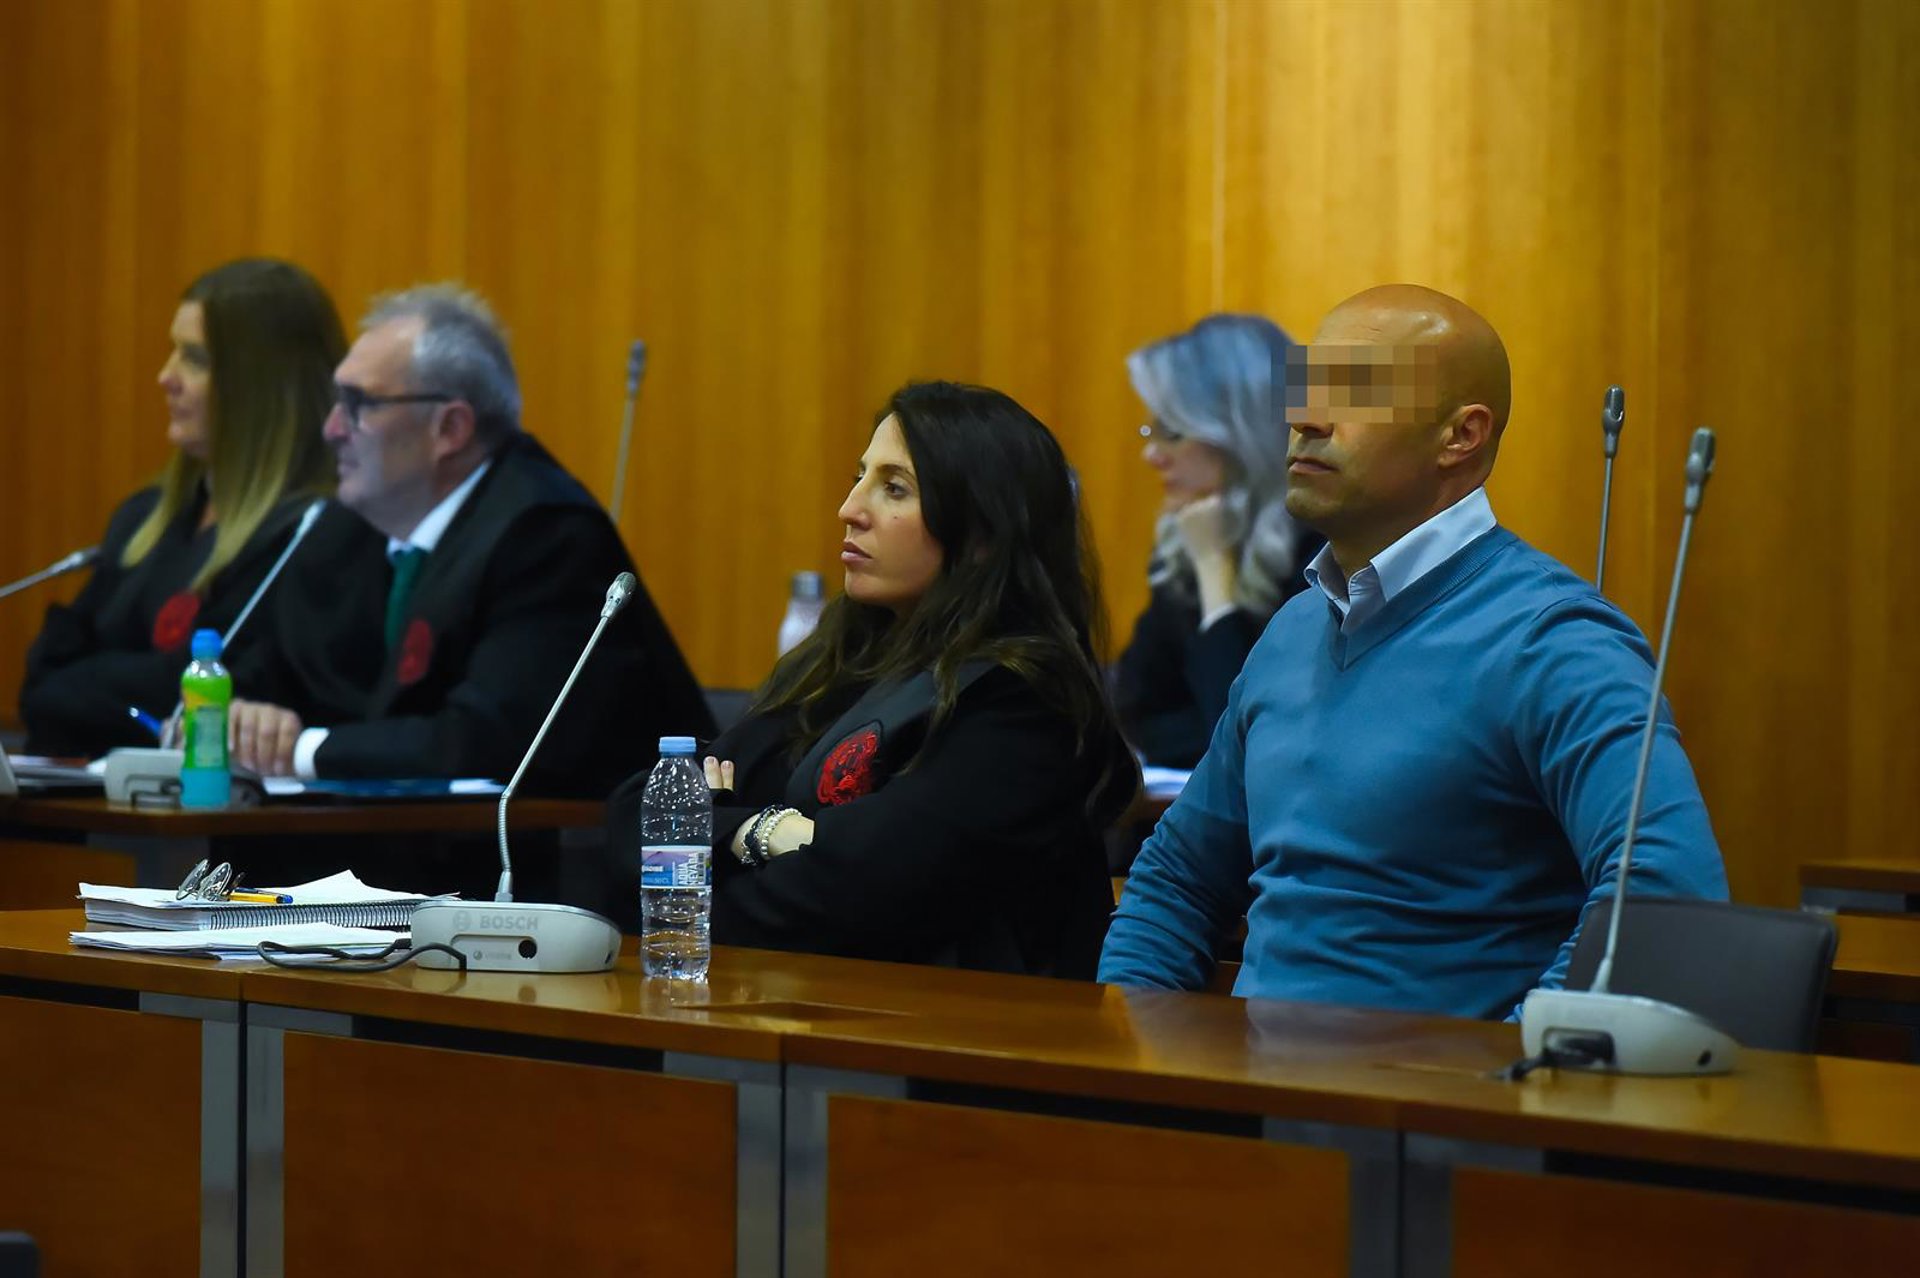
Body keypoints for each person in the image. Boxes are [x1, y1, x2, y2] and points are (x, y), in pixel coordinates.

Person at [1099, 284, 1729, 1020]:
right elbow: (1178, 878)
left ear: (1460, 436)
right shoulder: (1294, 628)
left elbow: (1663, 896)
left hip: (1445, 1091)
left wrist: (1518, 1063)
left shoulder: (1556, 640)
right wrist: (1128, 1046)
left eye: (1353, 391)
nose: (1304, 418)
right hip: (1245, 1083)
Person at [608, 382, 1137, 975]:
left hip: (958, 1024)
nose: (850, 509)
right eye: (860, 477)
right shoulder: (846, 663)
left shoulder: (1024, 704)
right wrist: (764, 832)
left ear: (983, 534)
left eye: (894, 488)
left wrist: (698, 870)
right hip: (804, 1003)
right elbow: (640, 811)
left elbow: (850, 898)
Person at [227, 284, 710, 796]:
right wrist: (244, 718)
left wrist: (302, 751)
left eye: (358, 404)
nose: (330, 429)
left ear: (451, 428)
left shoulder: (545, 535)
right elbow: (267, 671)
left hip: (576, 840)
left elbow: (489, 740)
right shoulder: (346, 529)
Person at [20, 258, 347, 756]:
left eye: (195, 359)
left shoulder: (314, 531)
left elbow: (217, 693)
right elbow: (43, 691)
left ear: (262, 383)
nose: (164, 377)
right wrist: (134, 687)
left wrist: (100, 683)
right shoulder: (144, 519)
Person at [1114, 313, 1317, 769]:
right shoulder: (1190, 532)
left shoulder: (1324, 552)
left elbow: (1246, 737)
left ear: (1240, 433)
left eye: (1172, 432)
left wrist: (1214, 572)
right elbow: (1134, 707)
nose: (1151, 454)